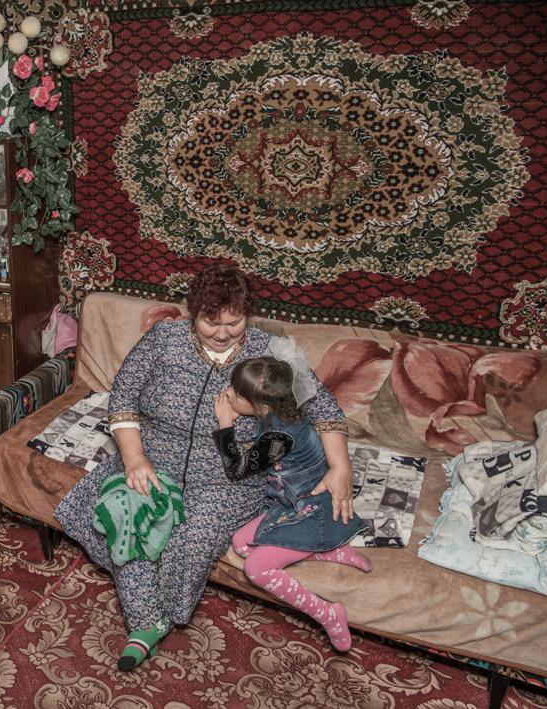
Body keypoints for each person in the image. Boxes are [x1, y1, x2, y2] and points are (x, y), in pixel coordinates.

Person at [53, 262, 353, 672]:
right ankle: (146, 622)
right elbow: (123, 396)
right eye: (212, 322)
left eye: (234, 322)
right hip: (153, 459)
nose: (223, 332)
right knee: (125, 519)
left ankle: (160, 614)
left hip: (226, 478)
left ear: (248, 315)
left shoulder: (274, 351)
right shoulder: (163, 339)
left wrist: (340, 468)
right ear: (194, 313)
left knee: (190, 541)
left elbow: (324, 408)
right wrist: (135, 459)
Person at [215, 357, 370, 652]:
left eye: (238, 393)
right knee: (240, 543)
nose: (229, 393)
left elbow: (237, 468)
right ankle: (327, 552)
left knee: (256, 568)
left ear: (264, 407)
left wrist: (225, 422)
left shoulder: (279, 436)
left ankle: (327, 613)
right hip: (291, 504)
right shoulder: (284, 408)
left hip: (313, 511)